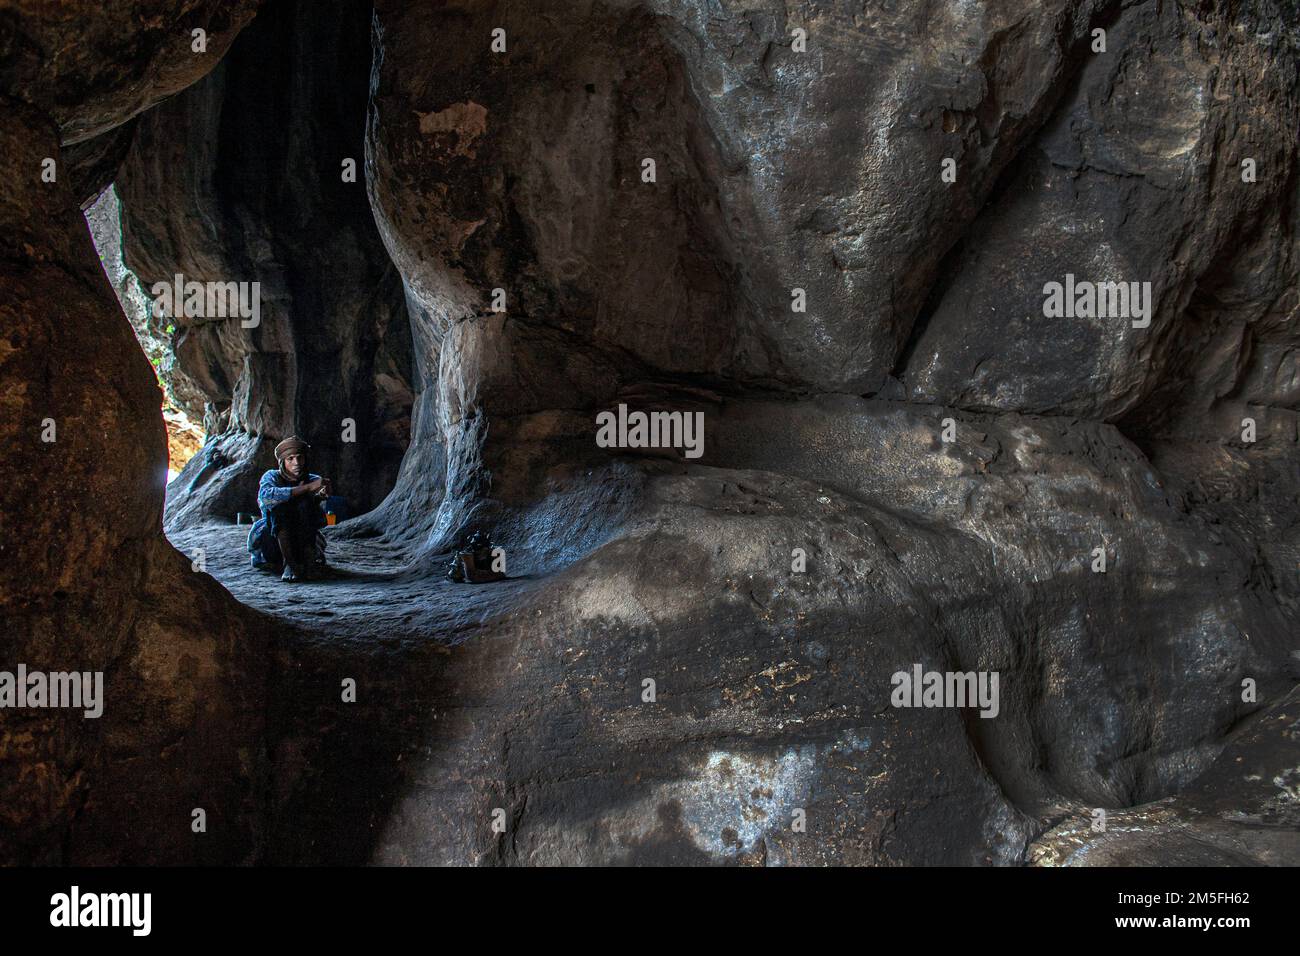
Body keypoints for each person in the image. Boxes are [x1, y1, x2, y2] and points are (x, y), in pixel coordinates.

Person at [247, 436, 332, 581]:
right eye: (290, 459)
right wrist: (305, 489)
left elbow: (321, 519)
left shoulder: (313, 479)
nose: (296, 463)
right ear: (282, 462)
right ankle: (290, 564)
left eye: (300, 458)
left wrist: (321, 495)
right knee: (280, 510)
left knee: (304, 505)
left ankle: (308, 563)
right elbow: (266, 497)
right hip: (273, 541)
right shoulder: (272, 477)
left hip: (304, 539)